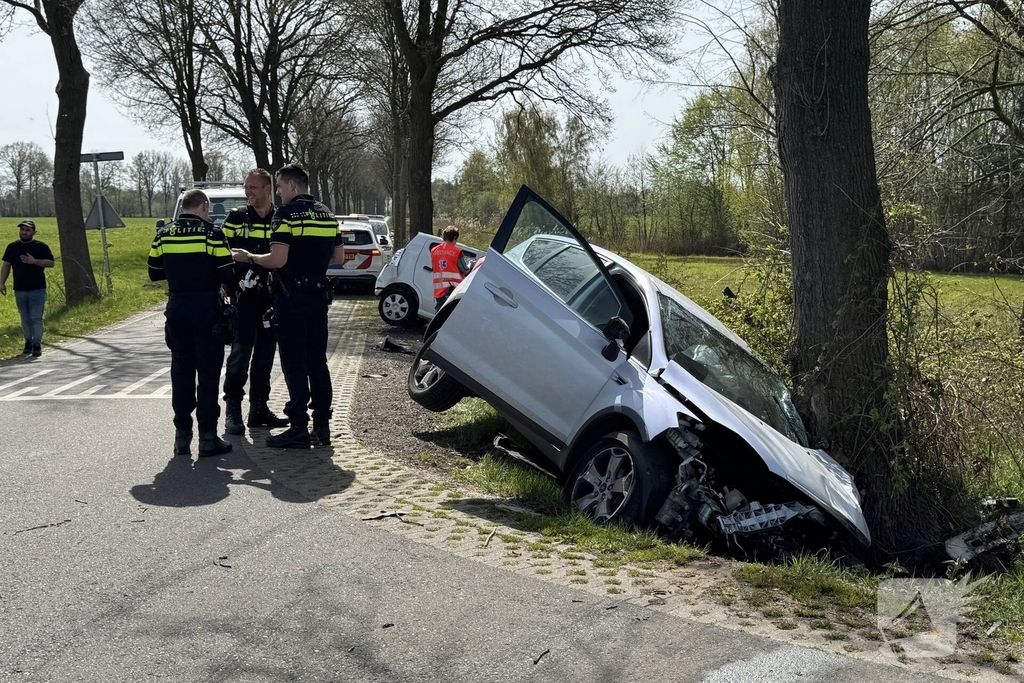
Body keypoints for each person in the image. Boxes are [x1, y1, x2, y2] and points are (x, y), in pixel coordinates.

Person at [231, 164, 345, 449]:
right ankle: (322, 426)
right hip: (319, 295)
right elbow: (339, 257)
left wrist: (251, 257)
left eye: (280, 186)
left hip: (291, 295)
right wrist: (312, 261)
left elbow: (278, 260)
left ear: (292, 186)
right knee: (317, 361)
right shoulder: (328, 214)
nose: (278, 192)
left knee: (294, 362)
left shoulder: (286, 214)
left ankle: (298, 428)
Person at [149, 189, 235, 458]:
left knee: (181, 370)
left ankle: (182, 437)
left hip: (177, 306)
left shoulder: (164, 234)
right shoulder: (212, 233)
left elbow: (154, 272)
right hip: (206, 306)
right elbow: (228, 273)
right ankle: (208, 437)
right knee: (208, 373)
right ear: (205, 206)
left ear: (183, 206)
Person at [221, 169, 289, 436]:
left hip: (271, 300)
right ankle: (233, 411)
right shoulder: (236, 217)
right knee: (239, 355)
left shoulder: (279, 217)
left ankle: (259, 408)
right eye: (246, 187)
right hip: (243, 298)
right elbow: (221, 249)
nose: (247, 192)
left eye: (253, 188)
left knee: (264, 356)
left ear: (268, 189)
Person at [1, 220, 55, 357]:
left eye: (27, 230)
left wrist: (34, 261)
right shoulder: (12, 247)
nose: (24, 232)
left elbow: (51, 263)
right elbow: (6, 265)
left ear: (33, 232)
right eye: (22, 230)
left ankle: (37, 344)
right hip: (20, 289)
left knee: (36, 318)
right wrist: (2, 282)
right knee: (25, 318)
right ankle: (28, 342)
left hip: (37, 289)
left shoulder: (40, 247)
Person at [430, 225, 471, 312]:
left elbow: (435, 268)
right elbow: (465, 270)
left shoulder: (434, 250)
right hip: (452, 289)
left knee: (440, 314)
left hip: (438, 290)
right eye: (456, 239)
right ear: (455, 237)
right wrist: (471, 264)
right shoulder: (456, 252)